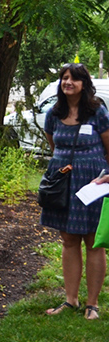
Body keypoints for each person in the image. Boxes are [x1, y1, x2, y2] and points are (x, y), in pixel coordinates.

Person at [40, 63, 109, 320]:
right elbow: (53, 143)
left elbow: (108, 147)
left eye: (74, 79)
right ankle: (71, 300)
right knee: (68, 240)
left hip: (93, 184)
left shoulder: (97, 111)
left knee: (93, 241)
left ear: (84, 84)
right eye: (64, 78)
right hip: (63, 183)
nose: (68, 82)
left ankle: (93, 304)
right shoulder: (53, 113)